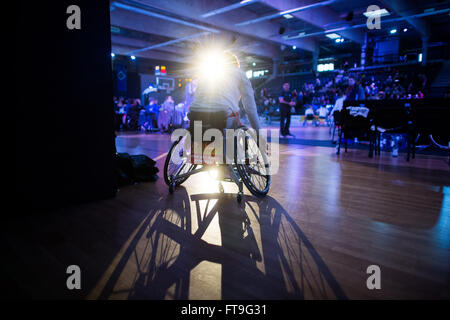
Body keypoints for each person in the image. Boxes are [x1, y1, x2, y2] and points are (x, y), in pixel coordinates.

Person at [190, 51, 260, 132]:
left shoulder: (205, 74)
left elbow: (197, 96)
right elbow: (250, 108)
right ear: (236, 65)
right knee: (235, 125)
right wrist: (259, 134)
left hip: (194, 114)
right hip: (221, 116)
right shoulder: (240, 73)